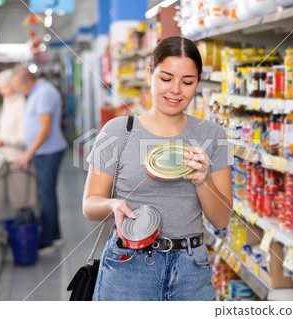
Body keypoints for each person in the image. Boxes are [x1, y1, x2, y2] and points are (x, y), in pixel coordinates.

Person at [83, 36, 234, 301]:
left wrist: (202, 180)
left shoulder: (212, 134)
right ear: (149, 73)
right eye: (166, 78)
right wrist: (113, 205)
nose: (176, 90)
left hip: (191, 269)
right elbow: (90, 205)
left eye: (187, 82)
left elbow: (221, 220)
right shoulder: (118, 131)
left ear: (198, 82)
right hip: (128, 265)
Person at [11, 65, 67, 254]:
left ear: (27, 82)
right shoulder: (37, 91)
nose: (19, 90)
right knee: (46, 193)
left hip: (48, 151)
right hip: (44, 151)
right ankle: (55, 235)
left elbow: (45, 129)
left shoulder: (43, 93)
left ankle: (49, 238)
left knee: (46, 195)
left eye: (19, 86)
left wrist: (29, 152)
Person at [0, 69, 37, 211]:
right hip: (7, 159)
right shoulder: (8, 102)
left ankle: (27, 231)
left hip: (20, 160)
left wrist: (4, 141)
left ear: (14, 86)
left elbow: (26, 138)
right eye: (0, 88)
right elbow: (4, 129)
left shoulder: (21, 105)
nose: (2, 92)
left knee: (23, 201)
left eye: (4, 88)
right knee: (14, 201)